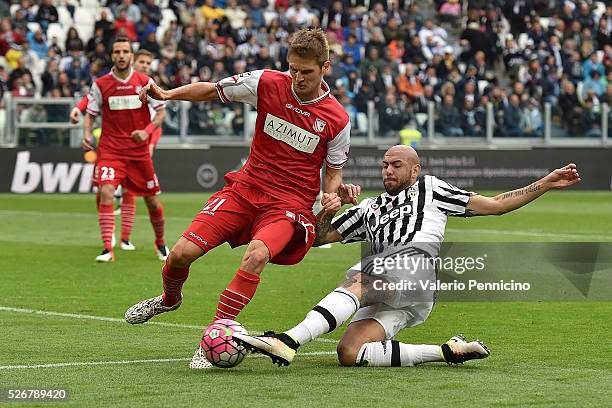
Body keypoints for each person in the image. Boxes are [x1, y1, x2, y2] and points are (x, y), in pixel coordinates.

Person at [124, 28, 358, 369]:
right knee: (180, 255)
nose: (297, 77)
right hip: (245, 189)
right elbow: (213, 89)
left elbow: (334, 171)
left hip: (289, 206)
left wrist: (333, 194)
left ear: (325, 67)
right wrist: (167, 93)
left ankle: (214, 337)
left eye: (305, 71)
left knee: (256, 255)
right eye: (292, 68)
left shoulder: (337, 120)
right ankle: (169, 299)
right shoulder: (266, 83)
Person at [233, 145, 581, 368]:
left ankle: (287, 341)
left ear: (414, 170)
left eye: (396, 165)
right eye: (384, 165)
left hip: (413, 269)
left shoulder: (431, 189)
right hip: (398, 291)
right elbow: (317, 237)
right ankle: (449, 351)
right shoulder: (369, 209)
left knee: (359, 281)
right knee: (349, 352)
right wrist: (329, 208)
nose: (388, 171)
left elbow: (495, 206)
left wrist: (545, 183)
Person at [81, 36, 168, 262]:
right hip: (111, 150)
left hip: (138, 151)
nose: (121, 55)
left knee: (151, 200)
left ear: (131, 55)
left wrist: (147, 131)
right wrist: (86, 134)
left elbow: (161, 112)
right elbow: (90, 114)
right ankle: (107, 249)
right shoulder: (101, 84)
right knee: (107, 191)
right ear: (112, 55)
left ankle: (160, 243)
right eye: (117, 51)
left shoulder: (145, 81)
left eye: (125, 52)